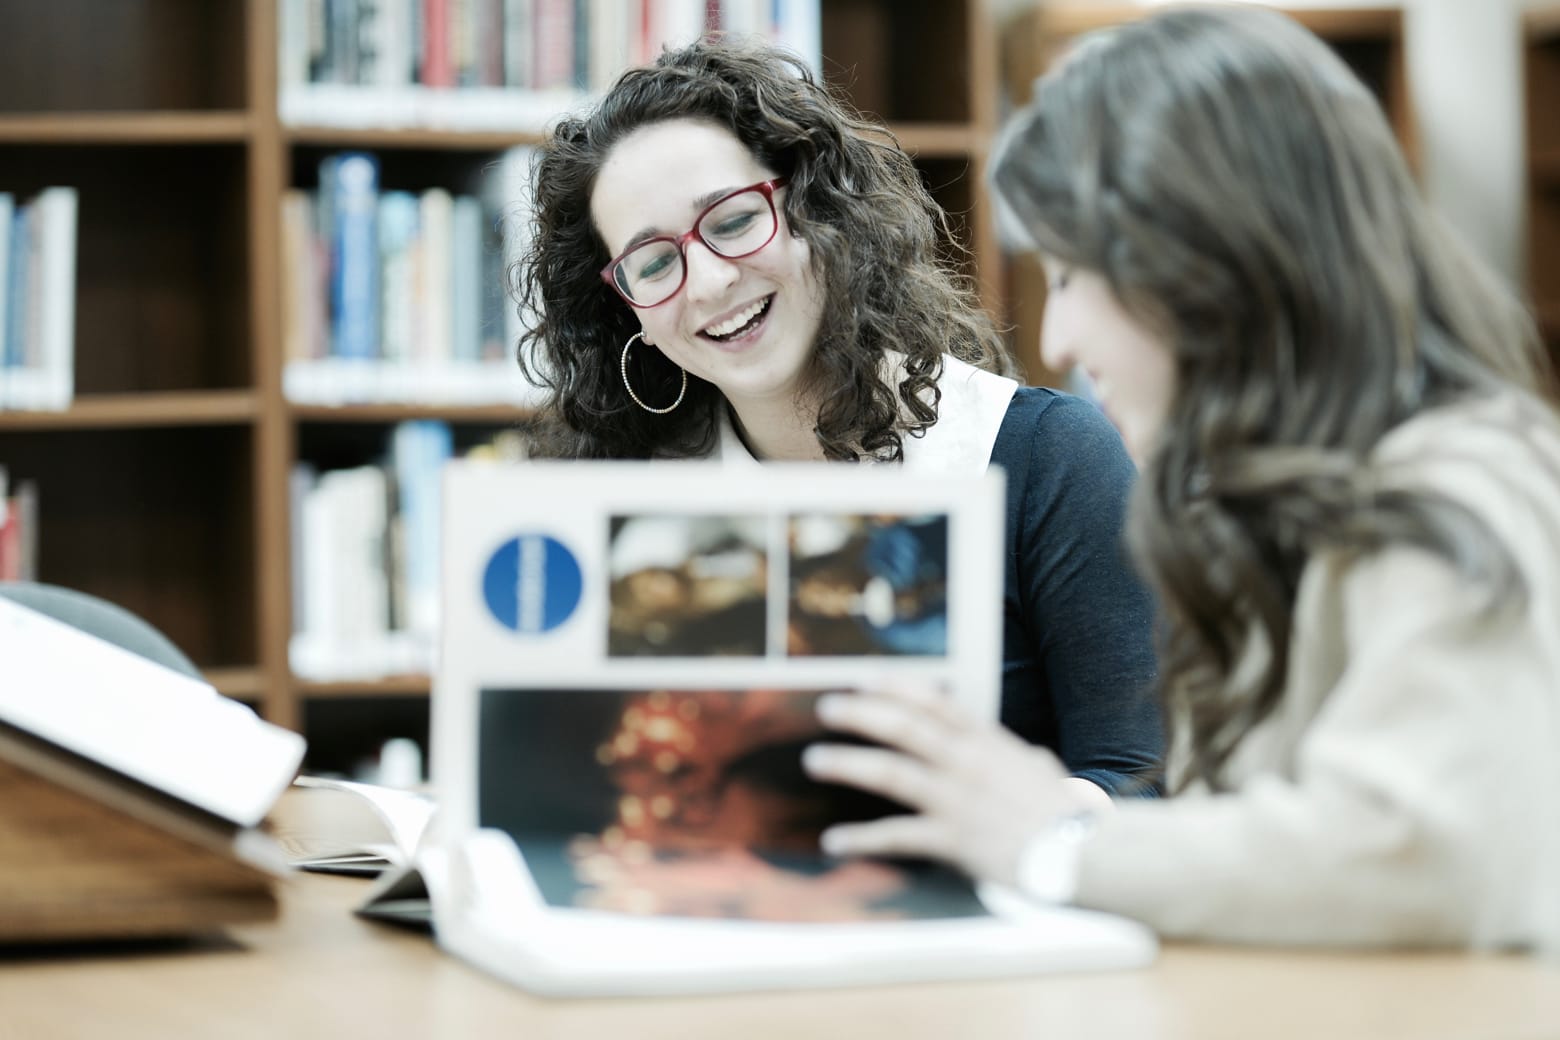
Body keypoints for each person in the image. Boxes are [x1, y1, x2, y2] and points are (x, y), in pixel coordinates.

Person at [805, 5, 1560, 951]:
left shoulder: (1457, 486)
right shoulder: (1256, 510)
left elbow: (1419, 854)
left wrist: (1055, 839)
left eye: (1075, 278)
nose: (1057, 339)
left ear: (1209, 267)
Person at [514, 39, 1163, 803]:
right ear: (627, 314)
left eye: (732, 220)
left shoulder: (1049, 458)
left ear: (815, 206)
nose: (711, 281)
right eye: (653, 264)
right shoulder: (614, 502)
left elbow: (1141, 778)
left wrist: (1000, 832)